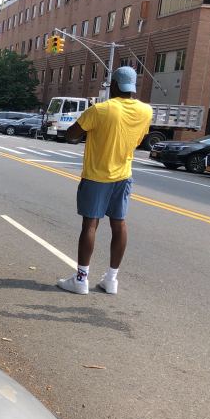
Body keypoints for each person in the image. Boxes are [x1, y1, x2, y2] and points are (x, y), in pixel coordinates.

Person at [56, 66, 152, 295]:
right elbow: (138, 140)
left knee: (90, 225)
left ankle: (81, 280)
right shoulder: (146, 111)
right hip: (124, 175)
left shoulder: (100, 110)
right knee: (119, 224)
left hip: (97, 175)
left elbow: (71, 134)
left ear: (115, 85)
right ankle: (111, 280)